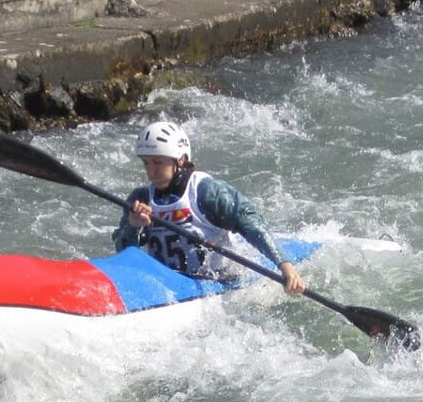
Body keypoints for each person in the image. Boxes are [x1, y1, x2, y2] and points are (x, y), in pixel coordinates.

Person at [113, 120, 306, 296]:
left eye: (158, 162)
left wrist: (285, 266)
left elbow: (251, 224)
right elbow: (124, 254)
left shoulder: (207, 192)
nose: (151, 171)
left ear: (180, 160)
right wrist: (133, 226)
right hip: (165, 283)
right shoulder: (141, 199)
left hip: (217, 279)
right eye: (146, 163)